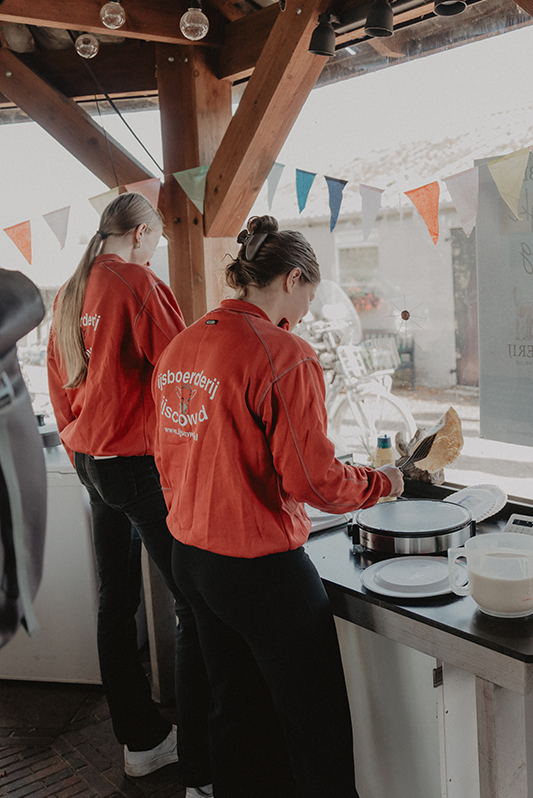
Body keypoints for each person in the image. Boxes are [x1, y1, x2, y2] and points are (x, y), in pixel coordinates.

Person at [152, 214, 404, 798]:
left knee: (235, 711)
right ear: (292, 279)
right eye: (309, 296)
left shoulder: (183, 344)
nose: (306, 314)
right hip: (258, 571)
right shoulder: (283, 350)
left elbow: (163, 453)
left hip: (190, 555)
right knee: (314, 725)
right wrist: (382, 482)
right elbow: (314, 481)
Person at [46, 192, 213, 798]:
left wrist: (85, 456)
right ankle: (203, 769)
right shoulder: (136, 284)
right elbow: (185, 374)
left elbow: (60, 392)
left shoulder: (69, 290)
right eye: (160, 240)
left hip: (93, 463)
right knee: (193, 604)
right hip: (139, 467)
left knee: (115, 603)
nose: (158, 251)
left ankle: (140, 743)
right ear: (141, 234)